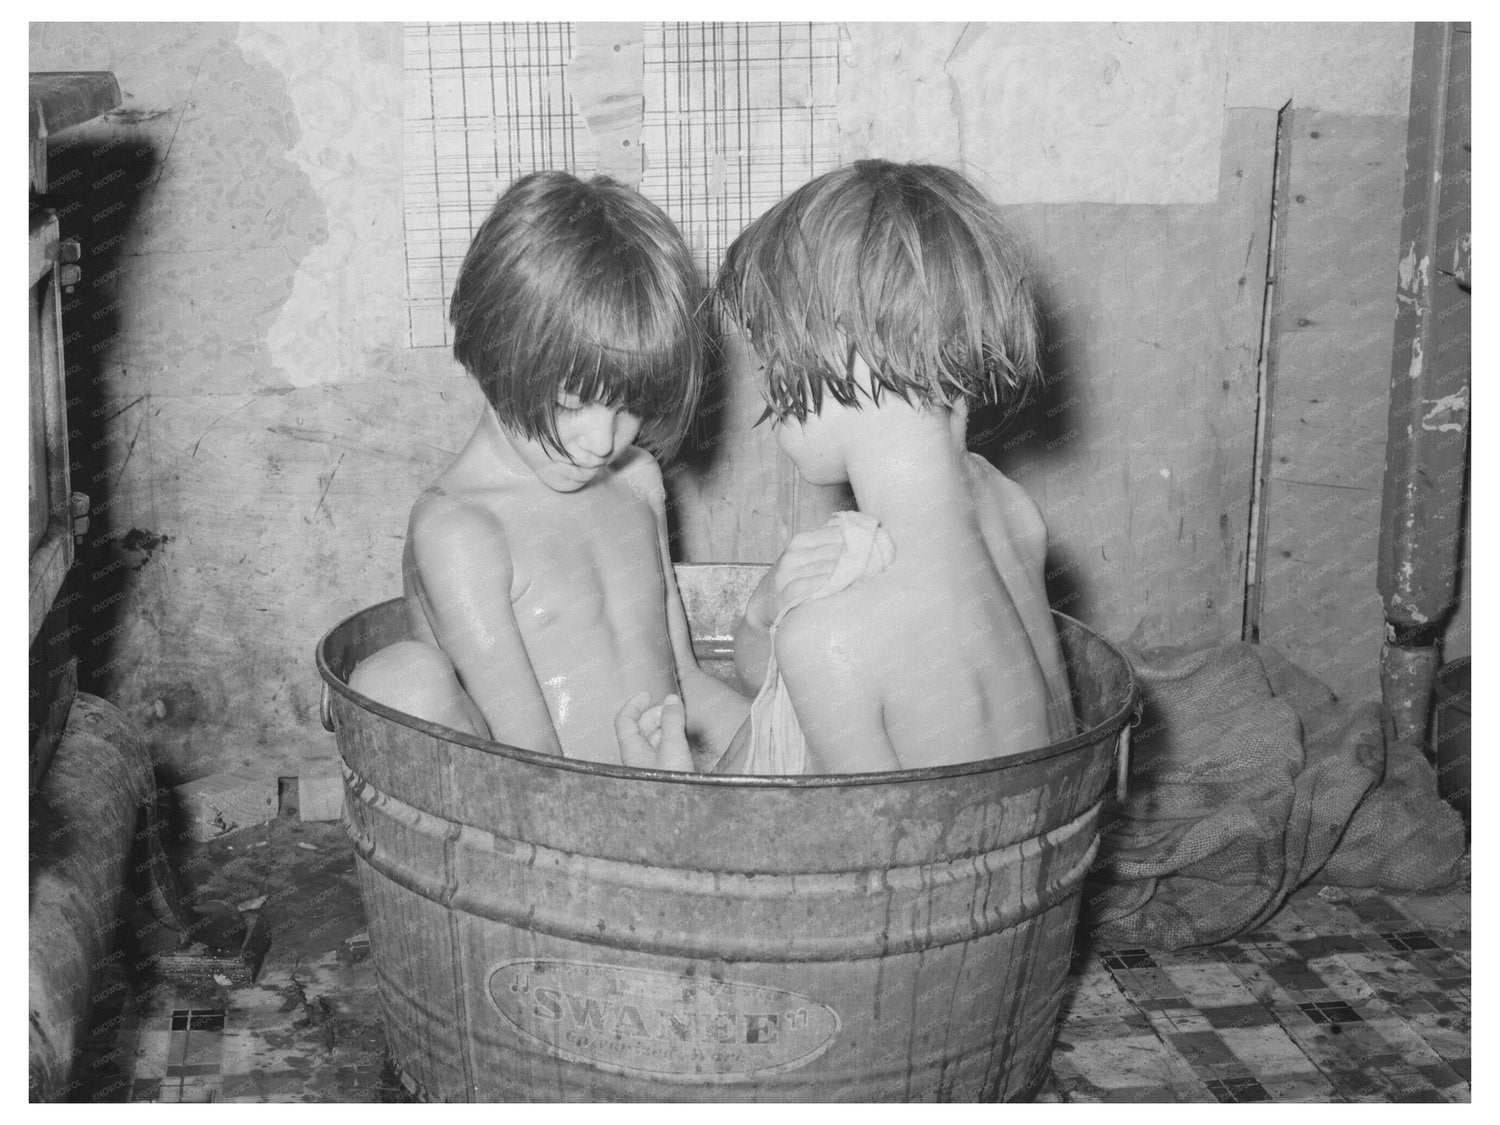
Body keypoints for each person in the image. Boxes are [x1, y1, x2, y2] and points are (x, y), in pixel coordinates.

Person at [619, 159, 1076, 774]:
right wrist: (760, 613)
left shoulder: (832, 637)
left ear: (845, 349)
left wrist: (675, 794)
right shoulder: (1011, 512)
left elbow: (843, 861)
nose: (762, 380)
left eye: (769, 350)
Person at [350, 171, 749, 767]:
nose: (601, 441)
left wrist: (786, 749)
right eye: (568, 404)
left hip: (664, 779)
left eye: (629, 406)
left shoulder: (637, 480)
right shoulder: (461, 530)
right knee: (398, 677)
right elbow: (526, 761)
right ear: (494, 354)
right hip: (547, 812)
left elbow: (685, 686)